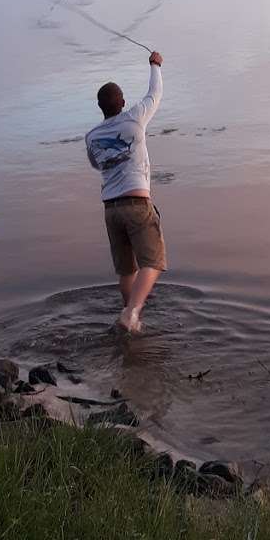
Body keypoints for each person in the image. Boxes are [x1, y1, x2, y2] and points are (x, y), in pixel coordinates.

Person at [85, 51, 167, 333]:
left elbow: (96, 164)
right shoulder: (134, 119)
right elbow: (155, 93)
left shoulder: (92, 136)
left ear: (100, 107)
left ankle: (130, 319)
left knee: (126, 270)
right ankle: (131, 313)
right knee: (153, 262)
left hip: (110, 210)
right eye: (122, 97)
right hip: (136, 204)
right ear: (121, 102)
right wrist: (155, 64)